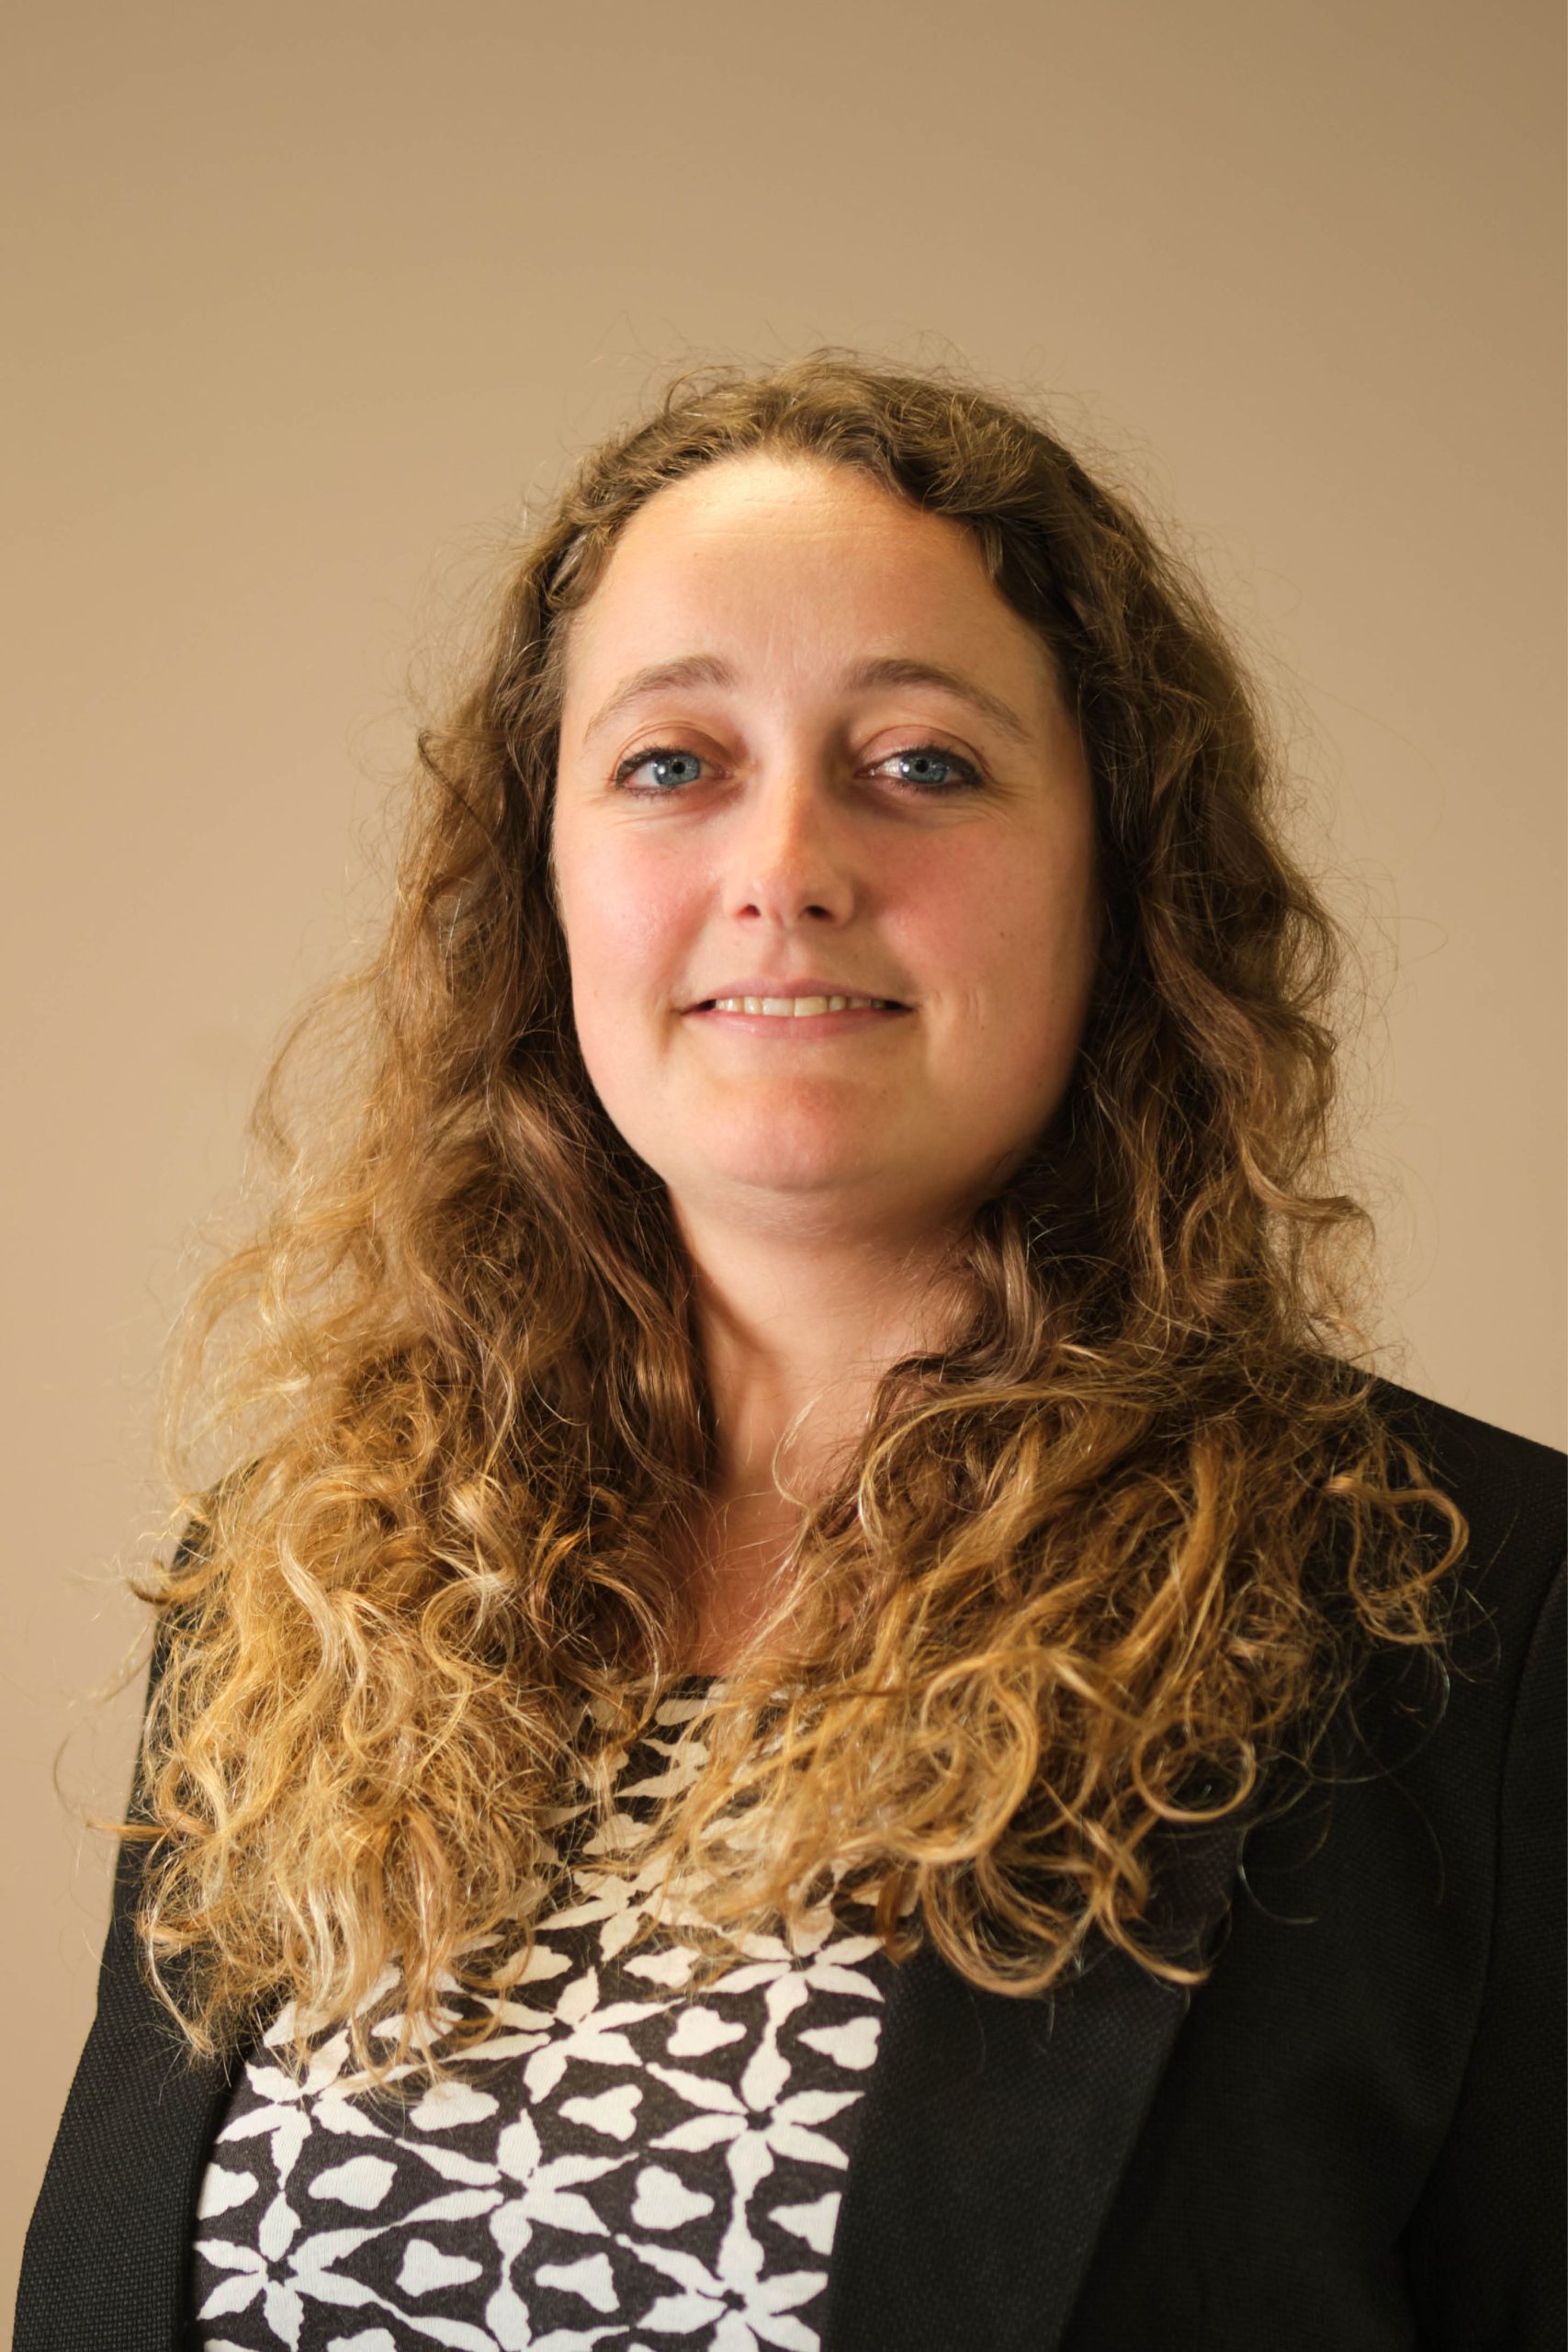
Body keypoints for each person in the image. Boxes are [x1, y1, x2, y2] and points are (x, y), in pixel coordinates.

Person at [17, 352, 1563, 2352]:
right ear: (542, 880)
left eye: (920, 761)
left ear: (1120, 871)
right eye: (673, 764)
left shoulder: (1473, 1626)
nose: (787, 866)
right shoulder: (287, 1598)